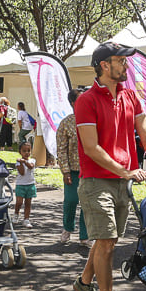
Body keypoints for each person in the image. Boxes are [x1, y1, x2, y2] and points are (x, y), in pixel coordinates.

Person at [72, 42, 146, 291]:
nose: (126, 66)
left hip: (124, 180)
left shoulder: (130, 96)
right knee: (108, 241)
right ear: (104, 65)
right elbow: (91, 147)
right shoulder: (86, 100)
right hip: (96, 180)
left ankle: (84, 284)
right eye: (121, 61)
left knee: (106, 240)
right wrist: (125, 170)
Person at [56, 89, 88, 246]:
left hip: (90, 170)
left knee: (87, 203)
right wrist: (65, 171)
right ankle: (67, 228)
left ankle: (85, 235)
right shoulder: (66, 123)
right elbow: (61, 149)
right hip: (73, 170)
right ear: (72, 103)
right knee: (71, 200)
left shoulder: (92, 120)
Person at [14, 141, 36, 226]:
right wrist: (21, 163)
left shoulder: (32, 160)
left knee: (28, 202)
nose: (27, 153)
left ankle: (26, 219)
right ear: (20, 152)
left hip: (30, 184)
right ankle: (16, 214)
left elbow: (30, 166)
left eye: (28, 150)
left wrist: (25, 162)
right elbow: (22, 172)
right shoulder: (18, 162)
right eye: (24, 151)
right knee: (19, 202)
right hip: (20, 185)